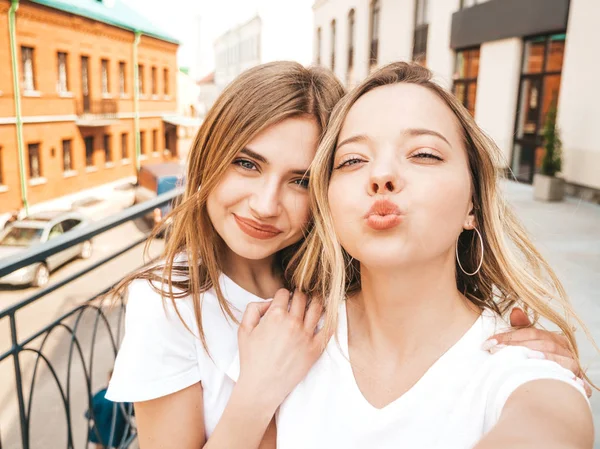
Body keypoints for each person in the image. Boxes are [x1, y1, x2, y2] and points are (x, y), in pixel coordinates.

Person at [106, 62, 588, 449]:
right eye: (354, 159)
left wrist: (547, 361)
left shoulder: (311, 301)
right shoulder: (178, 302)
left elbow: (544, 416)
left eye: (298, 180)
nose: (265, 204)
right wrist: (255, 393)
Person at [277, 61, 594, 449]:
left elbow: (550, 425)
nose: (381, 175)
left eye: (424, 154)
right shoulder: (281, 337)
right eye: (353, 160)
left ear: (472, 205)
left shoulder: (526, 370)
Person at [86, 371, 134, 449]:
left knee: (99, 445)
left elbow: (89, 414)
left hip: (101, 433)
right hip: (120, 434)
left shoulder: (101, 395)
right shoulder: (125, 398)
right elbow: (132, 412)